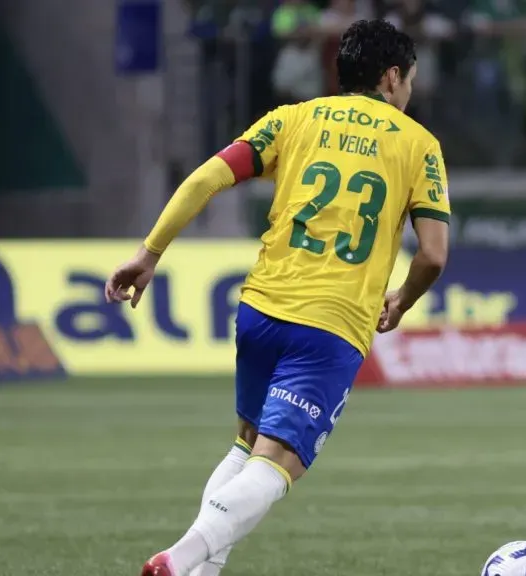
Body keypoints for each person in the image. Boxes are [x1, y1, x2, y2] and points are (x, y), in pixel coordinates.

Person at [106, 19, 452, 576]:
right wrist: (403, 299)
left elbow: (205, 179)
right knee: (278, 463)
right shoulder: (418, 145)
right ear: (391, 77)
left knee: (245, 445)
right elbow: (433, 255)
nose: (408, 92)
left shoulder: (293, 119)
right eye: (408, 80)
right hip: (332, 324)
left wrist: (149, 253)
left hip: (261, 309)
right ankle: (178, 560)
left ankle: (203, 571)